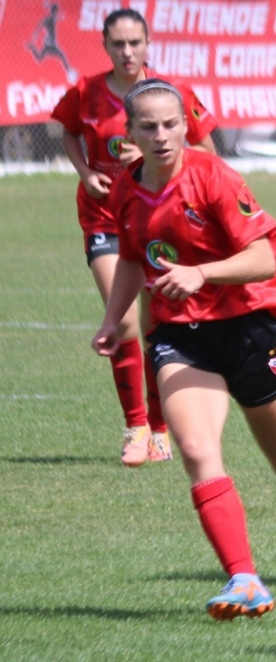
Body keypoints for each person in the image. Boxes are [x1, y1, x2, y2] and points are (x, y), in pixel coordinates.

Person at [91, 79, 276, 620]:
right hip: (180, 335)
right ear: (130, 132)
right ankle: (245, 580)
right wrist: (112, 318)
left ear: (186, 125)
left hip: (249, 327)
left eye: (171, 124)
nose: (161, 135)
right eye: (148, 126)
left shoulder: (213, 175)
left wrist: (201, 273)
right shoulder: (126, 189)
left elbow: (264, 258)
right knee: (195, 449)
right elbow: (131, 259)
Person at [52, 8, 217, 467]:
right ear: (105, 47)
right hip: (106, 220)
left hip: (162, 224)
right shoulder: (85, 92)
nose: (127, 52)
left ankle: (162, 429)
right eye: (118, 44)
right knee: (123, 320)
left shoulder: (170, 95)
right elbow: (67, 133)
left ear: (149, 44)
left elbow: (208, 151)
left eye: (135, 43)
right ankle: (137, 427)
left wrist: (150, 152)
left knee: (155, 327)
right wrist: (86, 172)